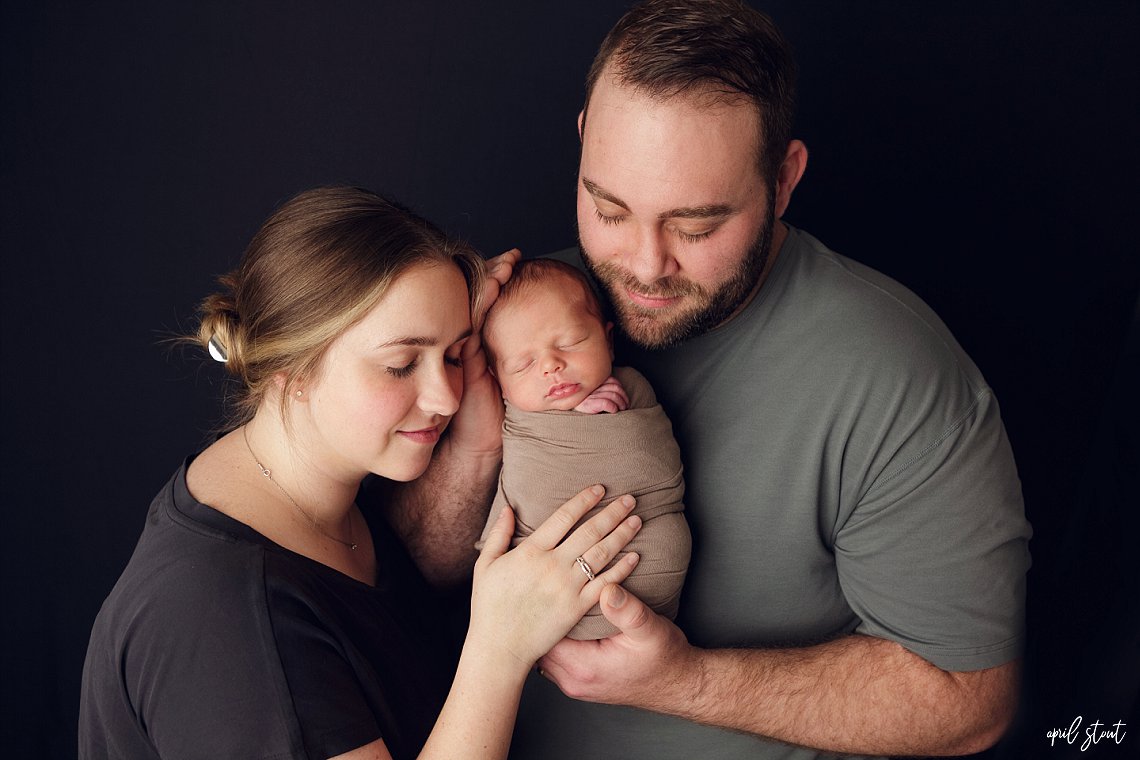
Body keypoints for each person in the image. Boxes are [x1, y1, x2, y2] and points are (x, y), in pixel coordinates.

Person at [497, 1, 1033, 758]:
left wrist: (683, 683)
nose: (646, 265)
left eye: (697, 226)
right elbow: (402, 560)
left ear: (783, 181)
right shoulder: (519, 318)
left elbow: (968, 702)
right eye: (609, 208)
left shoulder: (899, 380)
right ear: (583, 141)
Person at [77, 186, 645, 760]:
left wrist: (477, 446)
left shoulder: (319, 481)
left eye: (452, 356)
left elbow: (398, 598)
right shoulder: (227, 622)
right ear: (291, 369)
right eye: (401, 365)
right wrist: (499, 650)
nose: (445, 397)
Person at [476, 258, 690, 639]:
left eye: (571, 342)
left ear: (608, 340)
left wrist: (597, 413)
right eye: (524, 364)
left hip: (649, 583)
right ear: (499, 382)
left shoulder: (630, 388)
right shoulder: (514, 416)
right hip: (539, 601)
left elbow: (651, 453)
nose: (552, 366)